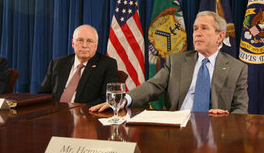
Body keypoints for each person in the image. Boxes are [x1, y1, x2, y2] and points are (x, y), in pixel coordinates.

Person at [90, 11, 249, 115]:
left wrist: (227, 118)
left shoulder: (237, 68)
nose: (197, 33)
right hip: (176, 127)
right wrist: (125, 100)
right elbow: (153, 86)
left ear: (220, 36)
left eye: (204, 28)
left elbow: (241, 108)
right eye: (195, 29)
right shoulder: (177, 61)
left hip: (215, 129)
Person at [39, 24, 118, 106]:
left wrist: (79, 111)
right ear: (73, 43)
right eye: (80, 40)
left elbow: (106, 99)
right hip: (54, 113)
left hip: (85, 114)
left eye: (89, 41)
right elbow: (43, 94)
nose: (84, 45)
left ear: (96, 45)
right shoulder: (58, 63)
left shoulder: (107, 64)